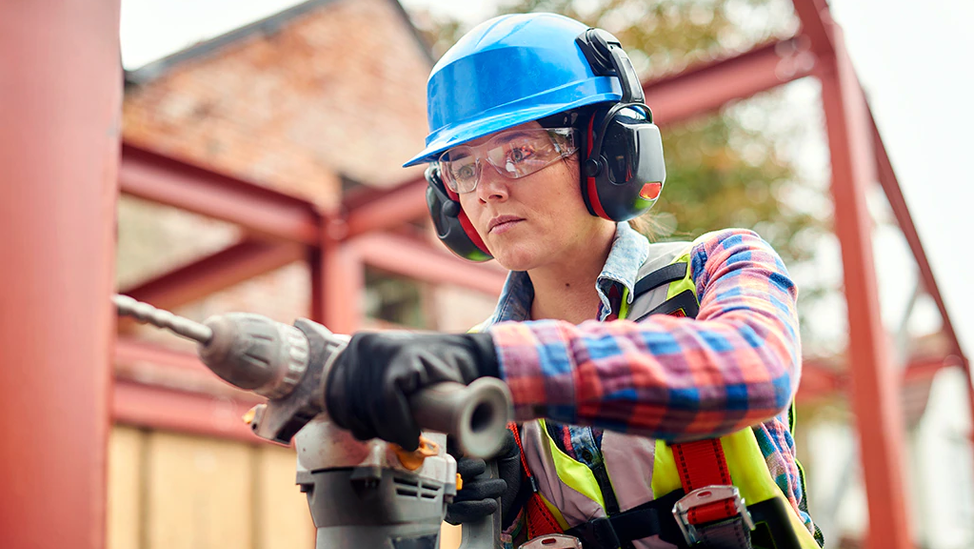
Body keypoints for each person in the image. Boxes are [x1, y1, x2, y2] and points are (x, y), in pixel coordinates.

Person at [324, 12, 824, 549]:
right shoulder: (466, 372)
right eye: (463, 168)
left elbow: (751, 365)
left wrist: (494, 365)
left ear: (608, 152)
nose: (487, 189)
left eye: (519, 152)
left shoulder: (716, 267)